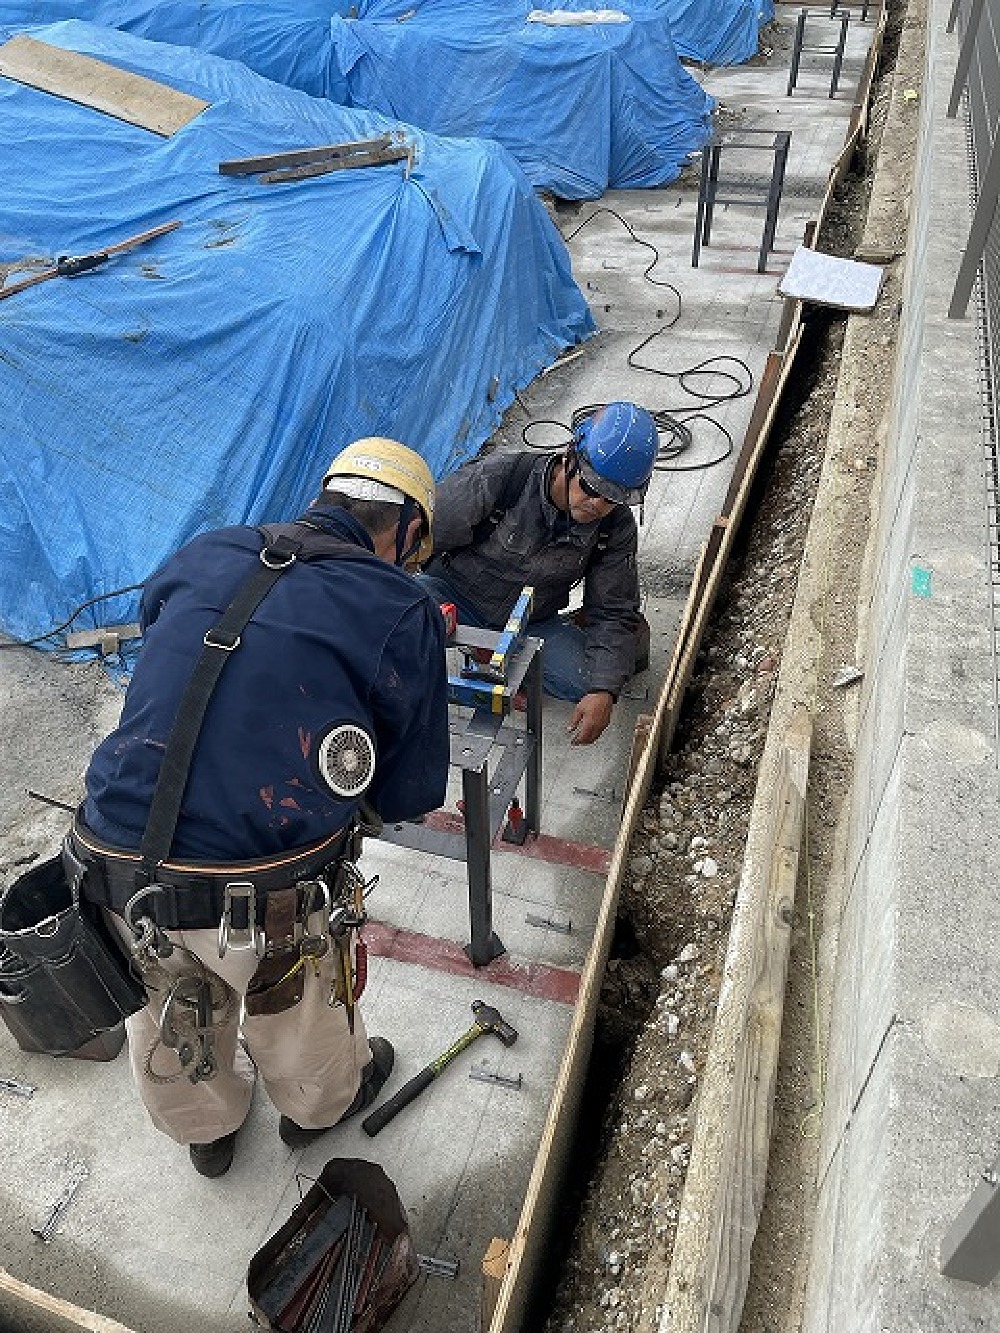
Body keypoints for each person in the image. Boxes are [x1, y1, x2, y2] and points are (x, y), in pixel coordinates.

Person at [68, 439, 450, 1177]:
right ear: (404, 529)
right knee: (301, 1016)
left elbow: (173, 660)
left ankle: (206, 1130)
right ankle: (318, 1110)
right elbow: (404, 792)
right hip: (261, 885)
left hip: (112, 854)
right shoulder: (397, 603)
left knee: (171, 1004)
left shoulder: (209, 548)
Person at [417, 401, 657, 745]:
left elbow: (613, 610)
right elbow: (419, 537)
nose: (597, 505)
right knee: (398, 621)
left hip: (531, 621)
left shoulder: (614, 527)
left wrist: (603, 690)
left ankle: (500, 656)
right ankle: (485, 653)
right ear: (570, 458)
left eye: (612, 499)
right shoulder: (502, 478)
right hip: (453, 595)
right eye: (591, 488)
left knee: (591, 679)